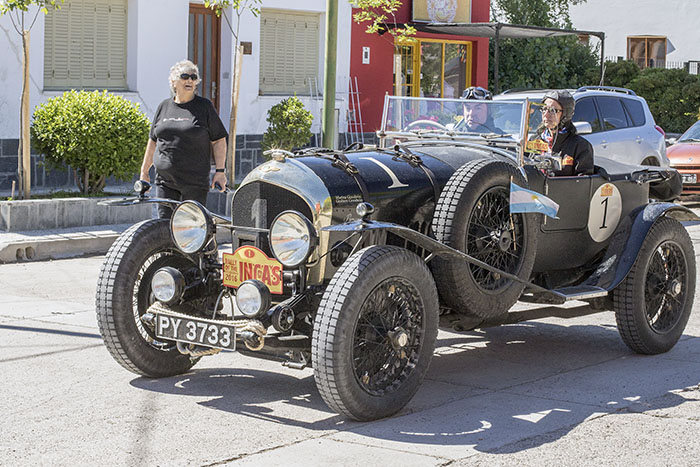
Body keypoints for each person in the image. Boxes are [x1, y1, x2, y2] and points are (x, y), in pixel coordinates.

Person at [139, 59, 228, 218]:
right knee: (165, 227)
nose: (190, 80)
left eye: (193, 78)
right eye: (185, 76)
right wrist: (144, 171)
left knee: (191, 228)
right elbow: (153, 141)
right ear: (173, 82)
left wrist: (220, 172)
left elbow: (219, 140)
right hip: (165, 182)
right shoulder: (164, 107)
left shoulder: (204, 107)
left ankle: (208, 244)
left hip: (194, 183)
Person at [533, 90, 594, 176]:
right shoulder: (534, 140)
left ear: (565, 115)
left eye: (553, 110)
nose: (546, 115)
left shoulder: (580, 146)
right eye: (544, 109)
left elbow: (583, 182)